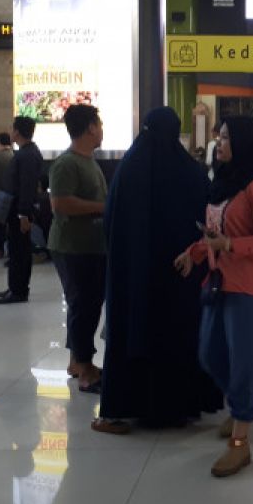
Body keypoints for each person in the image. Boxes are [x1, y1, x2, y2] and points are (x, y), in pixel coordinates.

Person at [92, 108, 223, 434]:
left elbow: (111, 222)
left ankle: (121, 410)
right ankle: (179, 407)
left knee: (131, 330)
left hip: (134, 276)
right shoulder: (190, 172)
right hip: (180, 275)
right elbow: (207, 219)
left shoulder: (129, 170)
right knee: (178, 334)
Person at [173, 117, 253, 478]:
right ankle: (245, 401)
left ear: (245, 144)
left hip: (249, 286)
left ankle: (240, 443)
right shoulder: (221, 185)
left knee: (241, 362)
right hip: (218, 280)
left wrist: (231, 245)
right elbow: (214, 233)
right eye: (219, 137)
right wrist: (196, 251)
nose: (219, 143)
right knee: (209, 353)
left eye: (225, 138)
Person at [41, 105, 109, 395]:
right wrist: (104, 208)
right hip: (73, 247)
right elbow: (61, 204)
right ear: (91, 128)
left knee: (85, 304)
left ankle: (76, 362)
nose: (102, 129)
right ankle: (85, 370)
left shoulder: (88, 161)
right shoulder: (67, 164)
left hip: (91, 246)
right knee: (84, 305)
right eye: (100, 123)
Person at [0, 117, 44, 305]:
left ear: (17, 132)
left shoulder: (27, 155)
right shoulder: (25, 153)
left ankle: (19, 290)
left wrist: (23, 214)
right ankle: (14, 287)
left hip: (19, 211)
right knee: (16, 250)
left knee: (20, 251)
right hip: (16, 210)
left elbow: (27, 187)